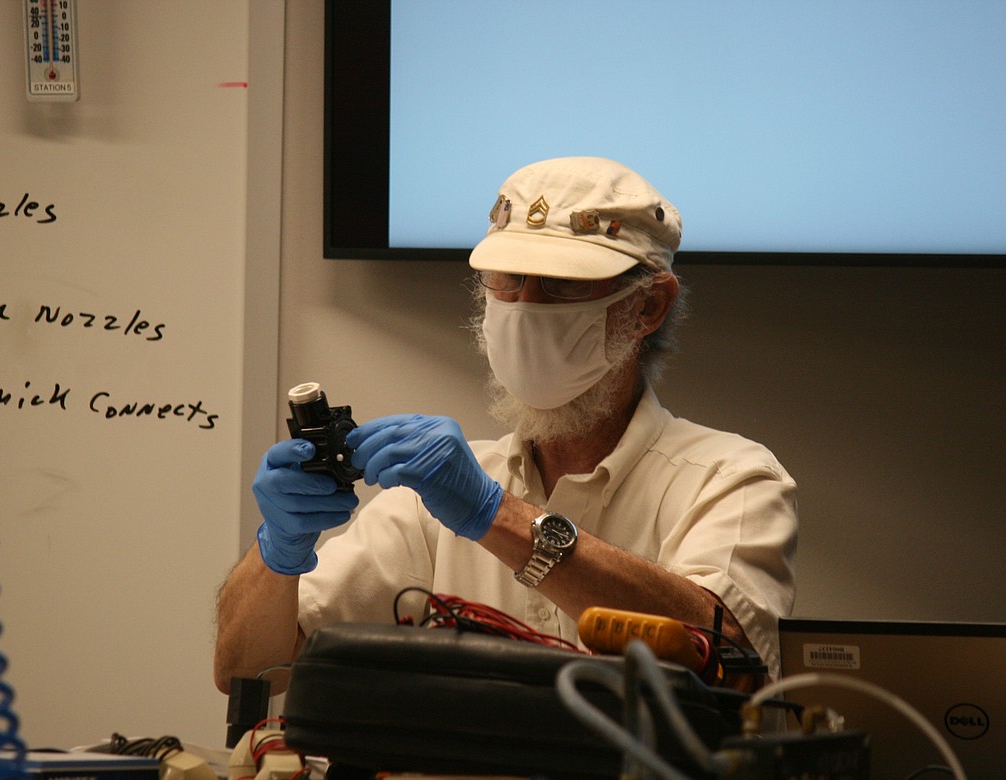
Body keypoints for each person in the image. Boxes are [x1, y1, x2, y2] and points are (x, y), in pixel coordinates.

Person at [214, 156, 797, 696]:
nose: (525, 308)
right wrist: (278, 551)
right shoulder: (426, 507)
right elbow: (248, 673)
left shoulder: (730, 478)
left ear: (648, 306)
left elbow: (725, 657)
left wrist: (495, 516)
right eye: (507, 281)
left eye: (563, 284)